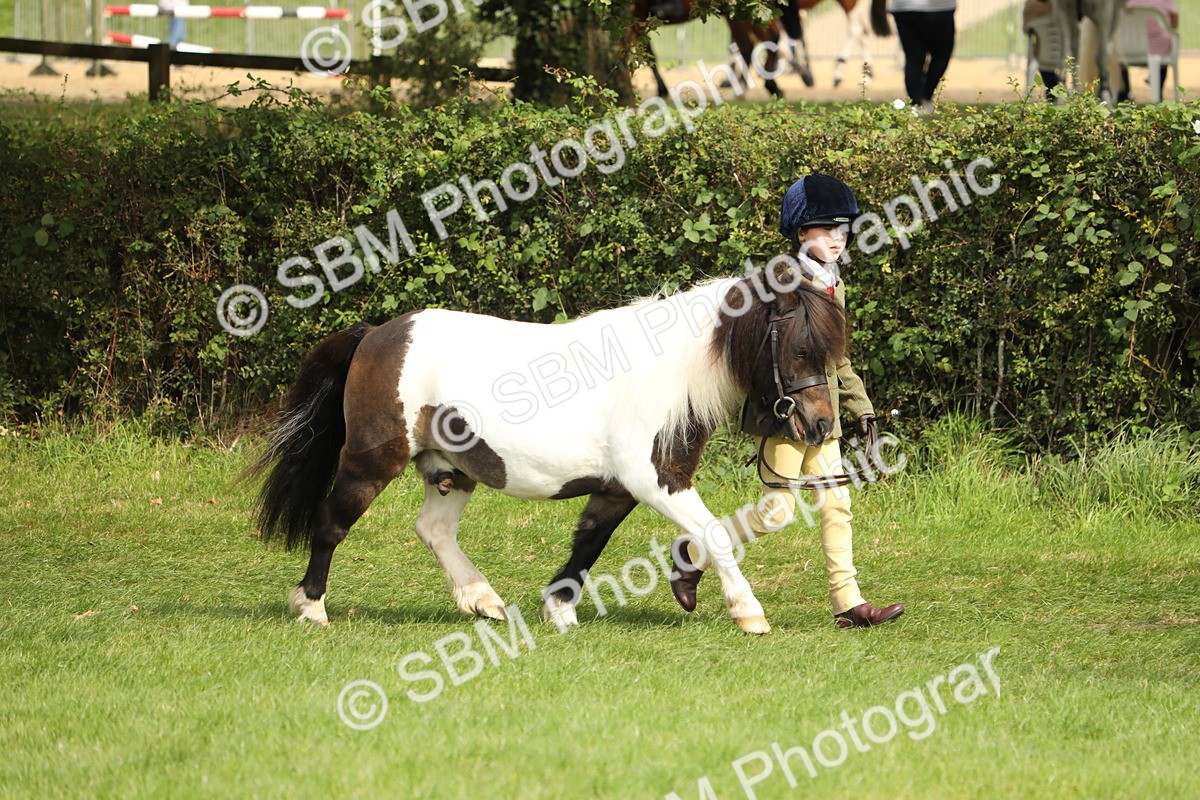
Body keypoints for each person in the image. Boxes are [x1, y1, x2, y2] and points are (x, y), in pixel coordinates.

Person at [669, 175, 905, 629]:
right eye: (826, 228)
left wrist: (862, 408)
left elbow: (837, 358)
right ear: (800, 232)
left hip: (824, 415)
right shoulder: (777, 286)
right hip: (785, 416)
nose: (838, 238)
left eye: (843, 229)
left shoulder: (834, 284)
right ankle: (693, 552)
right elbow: (758, 356)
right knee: (776, 513)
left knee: (836, 502)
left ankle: (849, 603)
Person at [889, 0, 957, 109]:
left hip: (903, 7)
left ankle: (916, 103)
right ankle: (925, 97)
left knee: (913, 58)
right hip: (939, 7)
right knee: (941, 55)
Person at [1117, 0, 1178, 103]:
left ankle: (1125, 93)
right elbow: (1174, 24)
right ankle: (1158, 93)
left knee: (1118, 54)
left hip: (1129, 48)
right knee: (1165, 40)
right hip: (1158, 50)